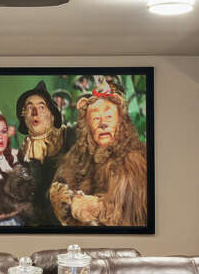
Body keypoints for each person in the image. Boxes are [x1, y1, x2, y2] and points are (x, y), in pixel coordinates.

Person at [50, 89, 148, 226]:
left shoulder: (132, 159)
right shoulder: (77, 157)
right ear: (88, 127)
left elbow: (127, 214)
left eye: (109, 117)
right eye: (96, 118)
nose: (103, 124)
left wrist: (91, 207)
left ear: (121, 123)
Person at [14, 80, 74, 226]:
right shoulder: (23, 152)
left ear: (52, 115)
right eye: (30, 108)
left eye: (42, 107)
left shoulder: (69, 137)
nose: (35, 113)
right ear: (24, 117)